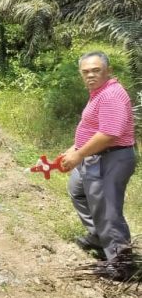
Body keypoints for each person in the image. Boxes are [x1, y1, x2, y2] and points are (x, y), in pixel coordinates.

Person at [60, 52, 136, 278]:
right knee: (78, 190)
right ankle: (98, 237)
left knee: (107, 211)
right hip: (96, 157)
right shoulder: (99, 92)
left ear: (108, 71)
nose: (90, 75)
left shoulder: (111, 94)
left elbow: (109, 134)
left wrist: (79, 153)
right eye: (86, 72)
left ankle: (121, 264)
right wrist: (74, 149)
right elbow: (93, 128)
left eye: (96, 70)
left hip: (111, 157)